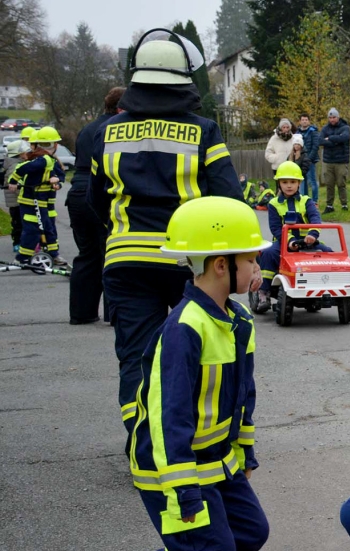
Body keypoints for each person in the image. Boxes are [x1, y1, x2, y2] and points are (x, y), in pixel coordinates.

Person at [121, 196, 270, 551]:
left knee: (249, 533)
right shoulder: (184, 329)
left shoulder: (238, 321)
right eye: (251, 258)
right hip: (172, 468)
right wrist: (182, 492)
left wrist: (245, 454)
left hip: (218, 461)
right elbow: (168, 420)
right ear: (221, 264)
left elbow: (242, 397)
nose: (258, 266)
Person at [87, 30, 245, 438]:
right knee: (194, 348)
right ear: (183, 78)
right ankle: (193, 437)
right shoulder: (204, 131)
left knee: (136, 355)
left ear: (137, 77)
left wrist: (122, 231)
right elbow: (230, 197)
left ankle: (144, 442)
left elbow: (96, 200)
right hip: (188, 262)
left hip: (125, 262)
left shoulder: (106, 133)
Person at [68, 86, 124, 325]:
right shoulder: (118, 129)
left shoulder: (87, 129)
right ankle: (115, 314)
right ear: (121, 107)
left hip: (77, 192)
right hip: (101, 190)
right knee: (110, 253)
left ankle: (82, 312)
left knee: (86, 254)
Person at [252, 161, 331, 313]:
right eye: (285, 182)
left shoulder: (306, 201)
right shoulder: (274, 204)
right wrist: (290, 241)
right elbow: (276, 228)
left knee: (328, 253)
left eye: (293, 182)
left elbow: (315, 219)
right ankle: (264, 292)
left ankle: (324, 288)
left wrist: (312, 235)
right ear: (279, 184)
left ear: (299, 183)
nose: (289, 185)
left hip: (308, 243)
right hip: (283, 243)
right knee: (268, 254)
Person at [11, 126, 65, 266]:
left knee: (49, 228)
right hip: (31, 201)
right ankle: (22, 258)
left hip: (44, 202)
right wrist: (13, 181)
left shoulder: (51, 160)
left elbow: (60, 176)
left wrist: (57, 183)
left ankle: (53, 254)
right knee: (32, 230)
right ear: (55, 144)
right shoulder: (43, 160)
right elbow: (22, 169)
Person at [320, 108, 350, 213]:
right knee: (329, 184)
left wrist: (331, 138)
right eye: (330, 117)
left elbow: (345, 138)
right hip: (328, 160)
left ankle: (344, 204)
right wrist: (336, 141)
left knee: (341, 183)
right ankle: (329, 205)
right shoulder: (325, 128)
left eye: (334, 117)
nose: (332, 119)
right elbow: (320, 140)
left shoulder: (345, 127)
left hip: (341, 160)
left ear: (338, 117)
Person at [4, 139, 29, 254]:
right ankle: (17, 243)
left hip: (18, 201)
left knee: (20, 222)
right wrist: (26, 194)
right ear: (19, 154)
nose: (27, 154)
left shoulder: (17, 164)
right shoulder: (14, 166)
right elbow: (13, 185)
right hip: (16, 202)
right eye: (24, 152)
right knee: (18, 223)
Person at [297, 113, 320, 200]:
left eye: (306, 120)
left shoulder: (313, 131)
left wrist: (309, 159)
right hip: (301, 161)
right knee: (303, 181)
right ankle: (304, 200)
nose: (304, 121)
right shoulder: (297, 133)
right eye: (303, 120)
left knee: (312, 181)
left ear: (309, 121)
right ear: (300, 121)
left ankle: (315, 201)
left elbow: (315, 146)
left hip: (311, 160)